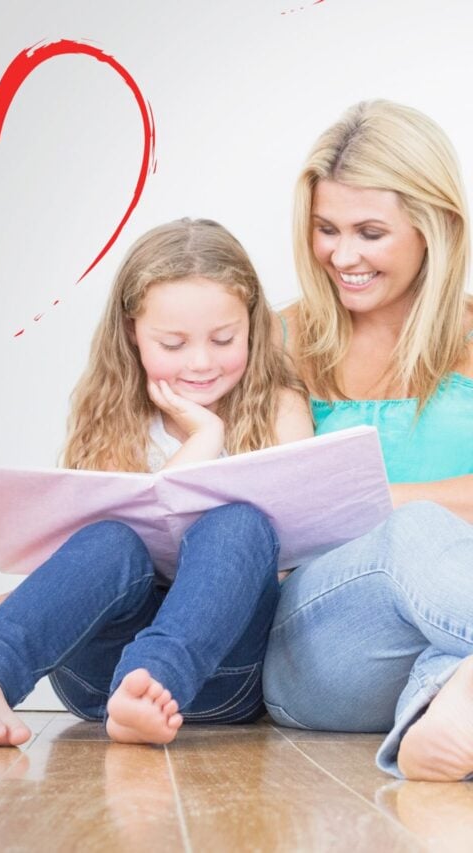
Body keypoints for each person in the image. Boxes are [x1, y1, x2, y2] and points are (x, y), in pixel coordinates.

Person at [0, 218, 313, 748]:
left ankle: (153, 680)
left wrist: (210, 434)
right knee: (110, 539)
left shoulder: (280, 408)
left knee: (239, 524)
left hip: (216, 676)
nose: (202, 361)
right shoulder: (111, 413)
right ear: (132, 333)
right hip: (96, 676)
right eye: (174, 343)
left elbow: (286, 564)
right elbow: (89, 563)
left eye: (224, 339)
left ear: (253, 326)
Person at [262, 100, 473, 782]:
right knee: (413, 531)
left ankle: (435, 712)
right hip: (318, 644)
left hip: (446, 628)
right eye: (327, 229)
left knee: (452, 645)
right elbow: (286, 514)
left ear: (434, 228)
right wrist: (403, 507)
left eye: (370, 232)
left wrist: (360, 500)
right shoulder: (281, 338)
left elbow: (333, 504)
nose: (341, 255)